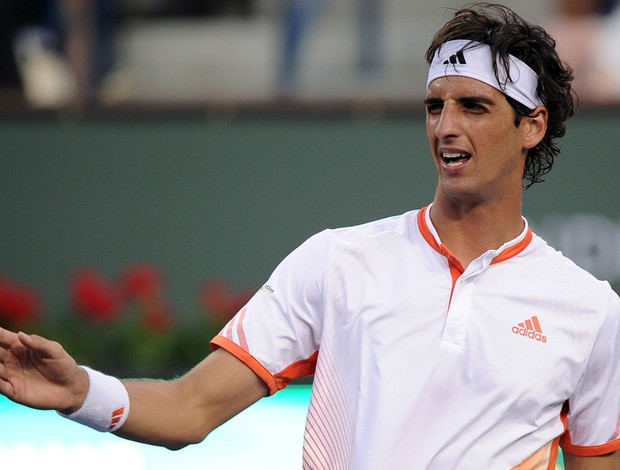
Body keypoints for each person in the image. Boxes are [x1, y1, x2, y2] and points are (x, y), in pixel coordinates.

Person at [1, 3, 619, 468]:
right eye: (435, 106)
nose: (445, 127)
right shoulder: (336, 261)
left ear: (532, 125)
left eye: (474, 107)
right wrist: (79, 391)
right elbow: (192, 408)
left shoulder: (590, 314)